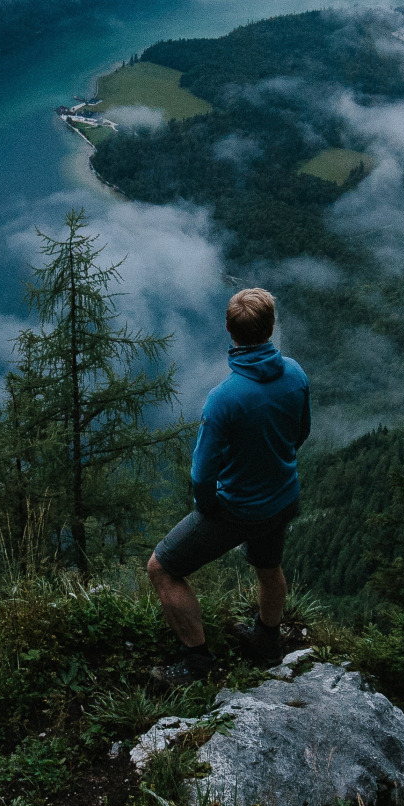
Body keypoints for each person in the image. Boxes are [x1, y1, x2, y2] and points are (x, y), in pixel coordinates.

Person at [145, 286, 309, 685]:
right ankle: (267, 642)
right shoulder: (296, 374)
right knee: (269, 566)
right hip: (283, 496)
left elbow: (203, 474)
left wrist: (209, 507)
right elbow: (299, 434)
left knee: (162, 568)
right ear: (271, 327)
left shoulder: (224, 399)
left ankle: (196, 662)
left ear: (228, 330)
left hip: (238, 509)